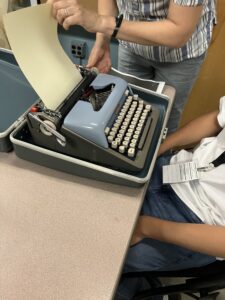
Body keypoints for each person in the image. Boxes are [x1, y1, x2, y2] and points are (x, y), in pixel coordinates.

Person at [115, 95, 225, 299]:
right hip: (177, 168)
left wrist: (147, 227)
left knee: (103, 256)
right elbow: (217, 120)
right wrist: (157, 150)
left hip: (197, 221)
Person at [48, 0, 216, 133]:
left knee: (163, 125)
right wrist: (102, 41)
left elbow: (179, 32)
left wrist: (100, 22)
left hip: (180, 56)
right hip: (131, 42)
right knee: (122, 115)